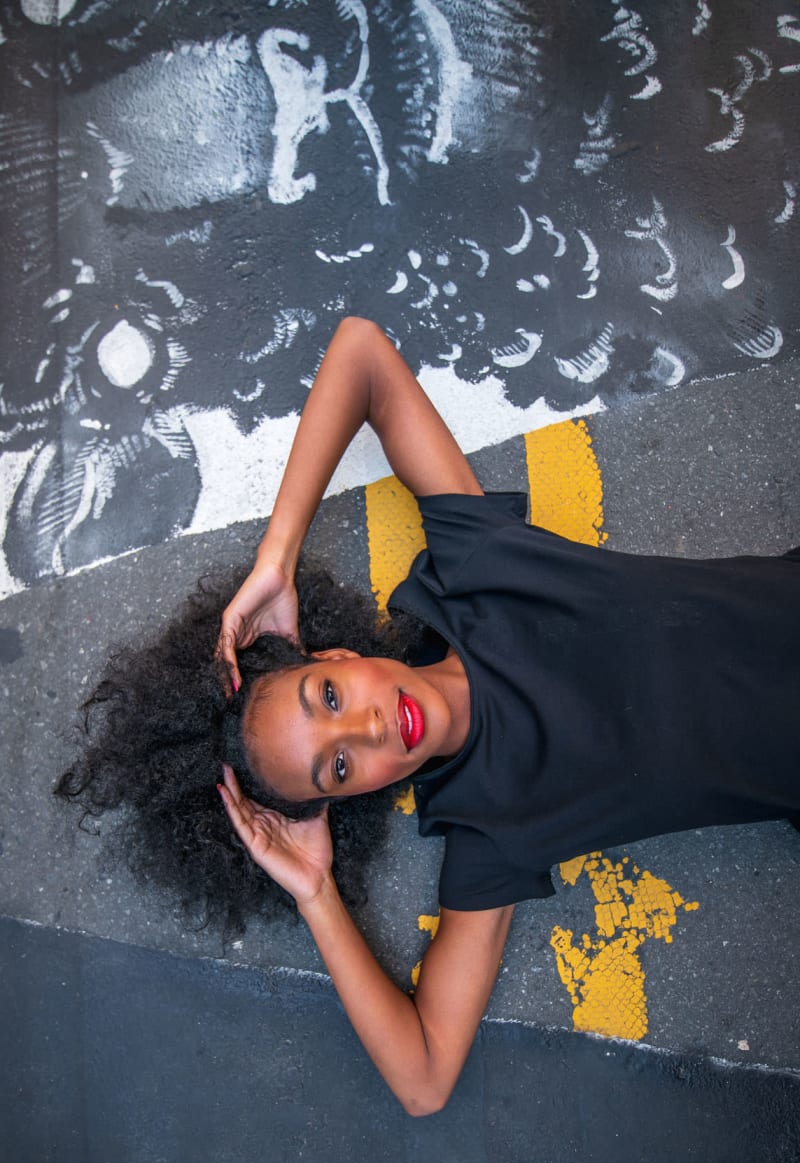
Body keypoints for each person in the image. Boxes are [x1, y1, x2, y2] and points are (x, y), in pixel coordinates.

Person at [60, 318, 799, 1117]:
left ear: (336, 657)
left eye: (330, 700)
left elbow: (361, 354)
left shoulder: (479, 570)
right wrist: (315, 894)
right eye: (337, 768)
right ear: (347, 800)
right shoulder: (492, 830)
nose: (367, 731)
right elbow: (424, 1078)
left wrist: (277, 556)